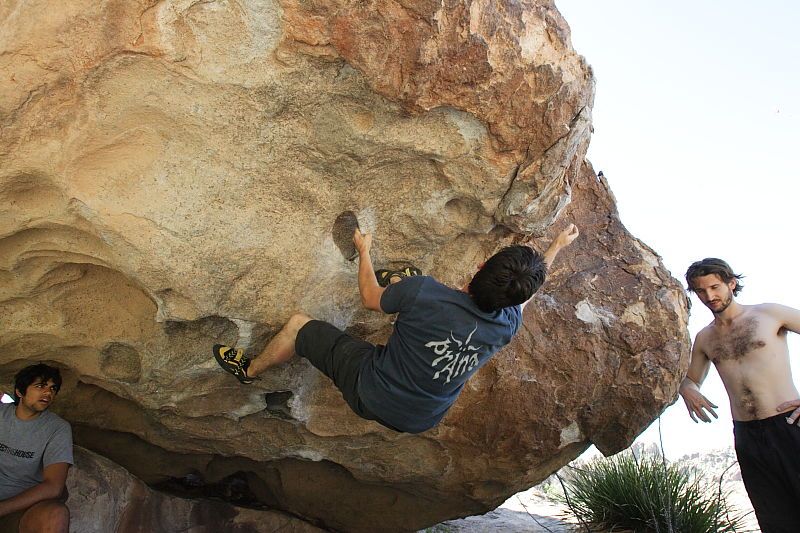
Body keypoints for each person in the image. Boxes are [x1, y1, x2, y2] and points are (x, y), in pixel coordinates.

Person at [215, 224, 579, 433]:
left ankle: (249, 370)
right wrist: (557, 247)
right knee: (410, 298)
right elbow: (523, 296)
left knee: (298, 326)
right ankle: (398, 289)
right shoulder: (506, 327)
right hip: (422, 418)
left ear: (481, 266)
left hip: (371, 390)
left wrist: (364, 250)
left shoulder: (428, 293)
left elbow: (370, 298)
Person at [679, 258, 800, 532]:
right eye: (701, 291)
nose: (709, 296)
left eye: (715, 287)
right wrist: (688, 390)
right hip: (747, 434)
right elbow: (690, 379)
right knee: (774, 517)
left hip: (790, 424)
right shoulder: (705, 338)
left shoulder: (769, 314)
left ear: (731, 283)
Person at [0, 364, 72, 533]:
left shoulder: (57, 428)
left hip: (21, 509)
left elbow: (54, 486)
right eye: (40, 386)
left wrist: (2, 508)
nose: (48, 393)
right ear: (19, 392)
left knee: (56, 514)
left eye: (52, 388)